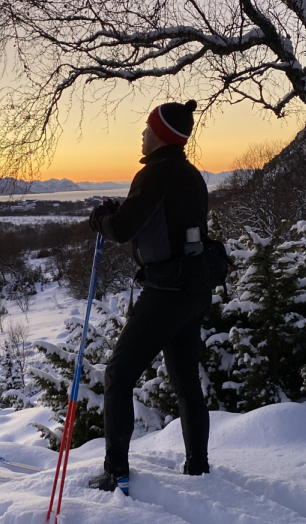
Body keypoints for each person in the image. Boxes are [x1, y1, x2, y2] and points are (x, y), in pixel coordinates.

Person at [87, 100, 212, 496]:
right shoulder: (191, 175)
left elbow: (123, 229)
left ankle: (116, 472)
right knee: (186, 380)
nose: (142, 133)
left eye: (147, 127)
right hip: (194, 289)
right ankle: (197, 466)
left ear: (160, 134)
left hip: (165, 292)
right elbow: (166, 219)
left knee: (118, 375)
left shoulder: (154, 173)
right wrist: (123, 211)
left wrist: (99, 219)